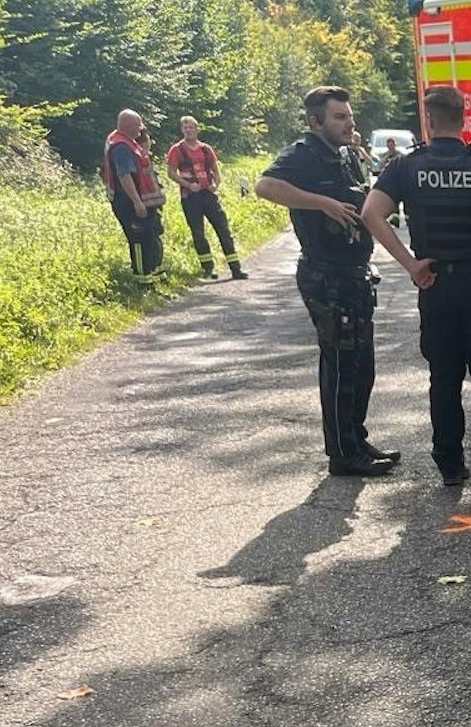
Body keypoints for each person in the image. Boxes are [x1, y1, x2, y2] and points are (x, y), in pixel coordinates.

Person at [361, 86, 471, 491]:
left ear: (429, 120)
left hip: (434, 283)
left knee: (444, 377)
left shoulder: (406, 166)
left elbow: (371, 212)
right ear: (464, 119)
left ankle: (451, 467)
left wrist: (410, 265)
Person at [256, 86, 397, 479]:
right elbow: (265, 187)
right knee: (340, 364)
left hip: (354, 274)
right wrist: (323, 204)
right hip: (326, 274)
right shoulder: (303, 153)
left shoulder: (348, 154)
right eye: (339, 117)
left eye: (349, 116)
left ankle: (356, 439)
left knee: (361, 363)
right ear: (315, 121)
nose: (348, 122)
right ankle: (343, 454)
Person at [165, 116, 248, 281]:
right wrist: (187, 185)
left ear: (197, 129)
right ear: (182, 130)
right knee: (198, 232)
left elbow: (216, 171)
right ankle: (208, 269)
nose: (188, 130)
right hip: (190, 197)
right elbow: (171, 173)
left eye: (191, 127)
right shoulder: (177, 149)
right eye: (185, 128)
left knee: (223, 229)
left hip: (208, 195)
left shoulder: (205, 149)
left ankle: (235, 268)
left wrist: (215, 185)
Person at [102, 110, 166, 283]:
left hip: (141, 200)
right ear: (129, 127)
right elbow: (124, 176)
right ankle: (142, 280)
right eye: (139, 125)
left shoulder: (127, 141)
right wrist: (137, 202)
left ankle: (155, 273)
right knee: (138, 239)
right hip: (129, 201)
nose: (141, 129)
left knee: (150, 235)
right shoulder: (122, 147)